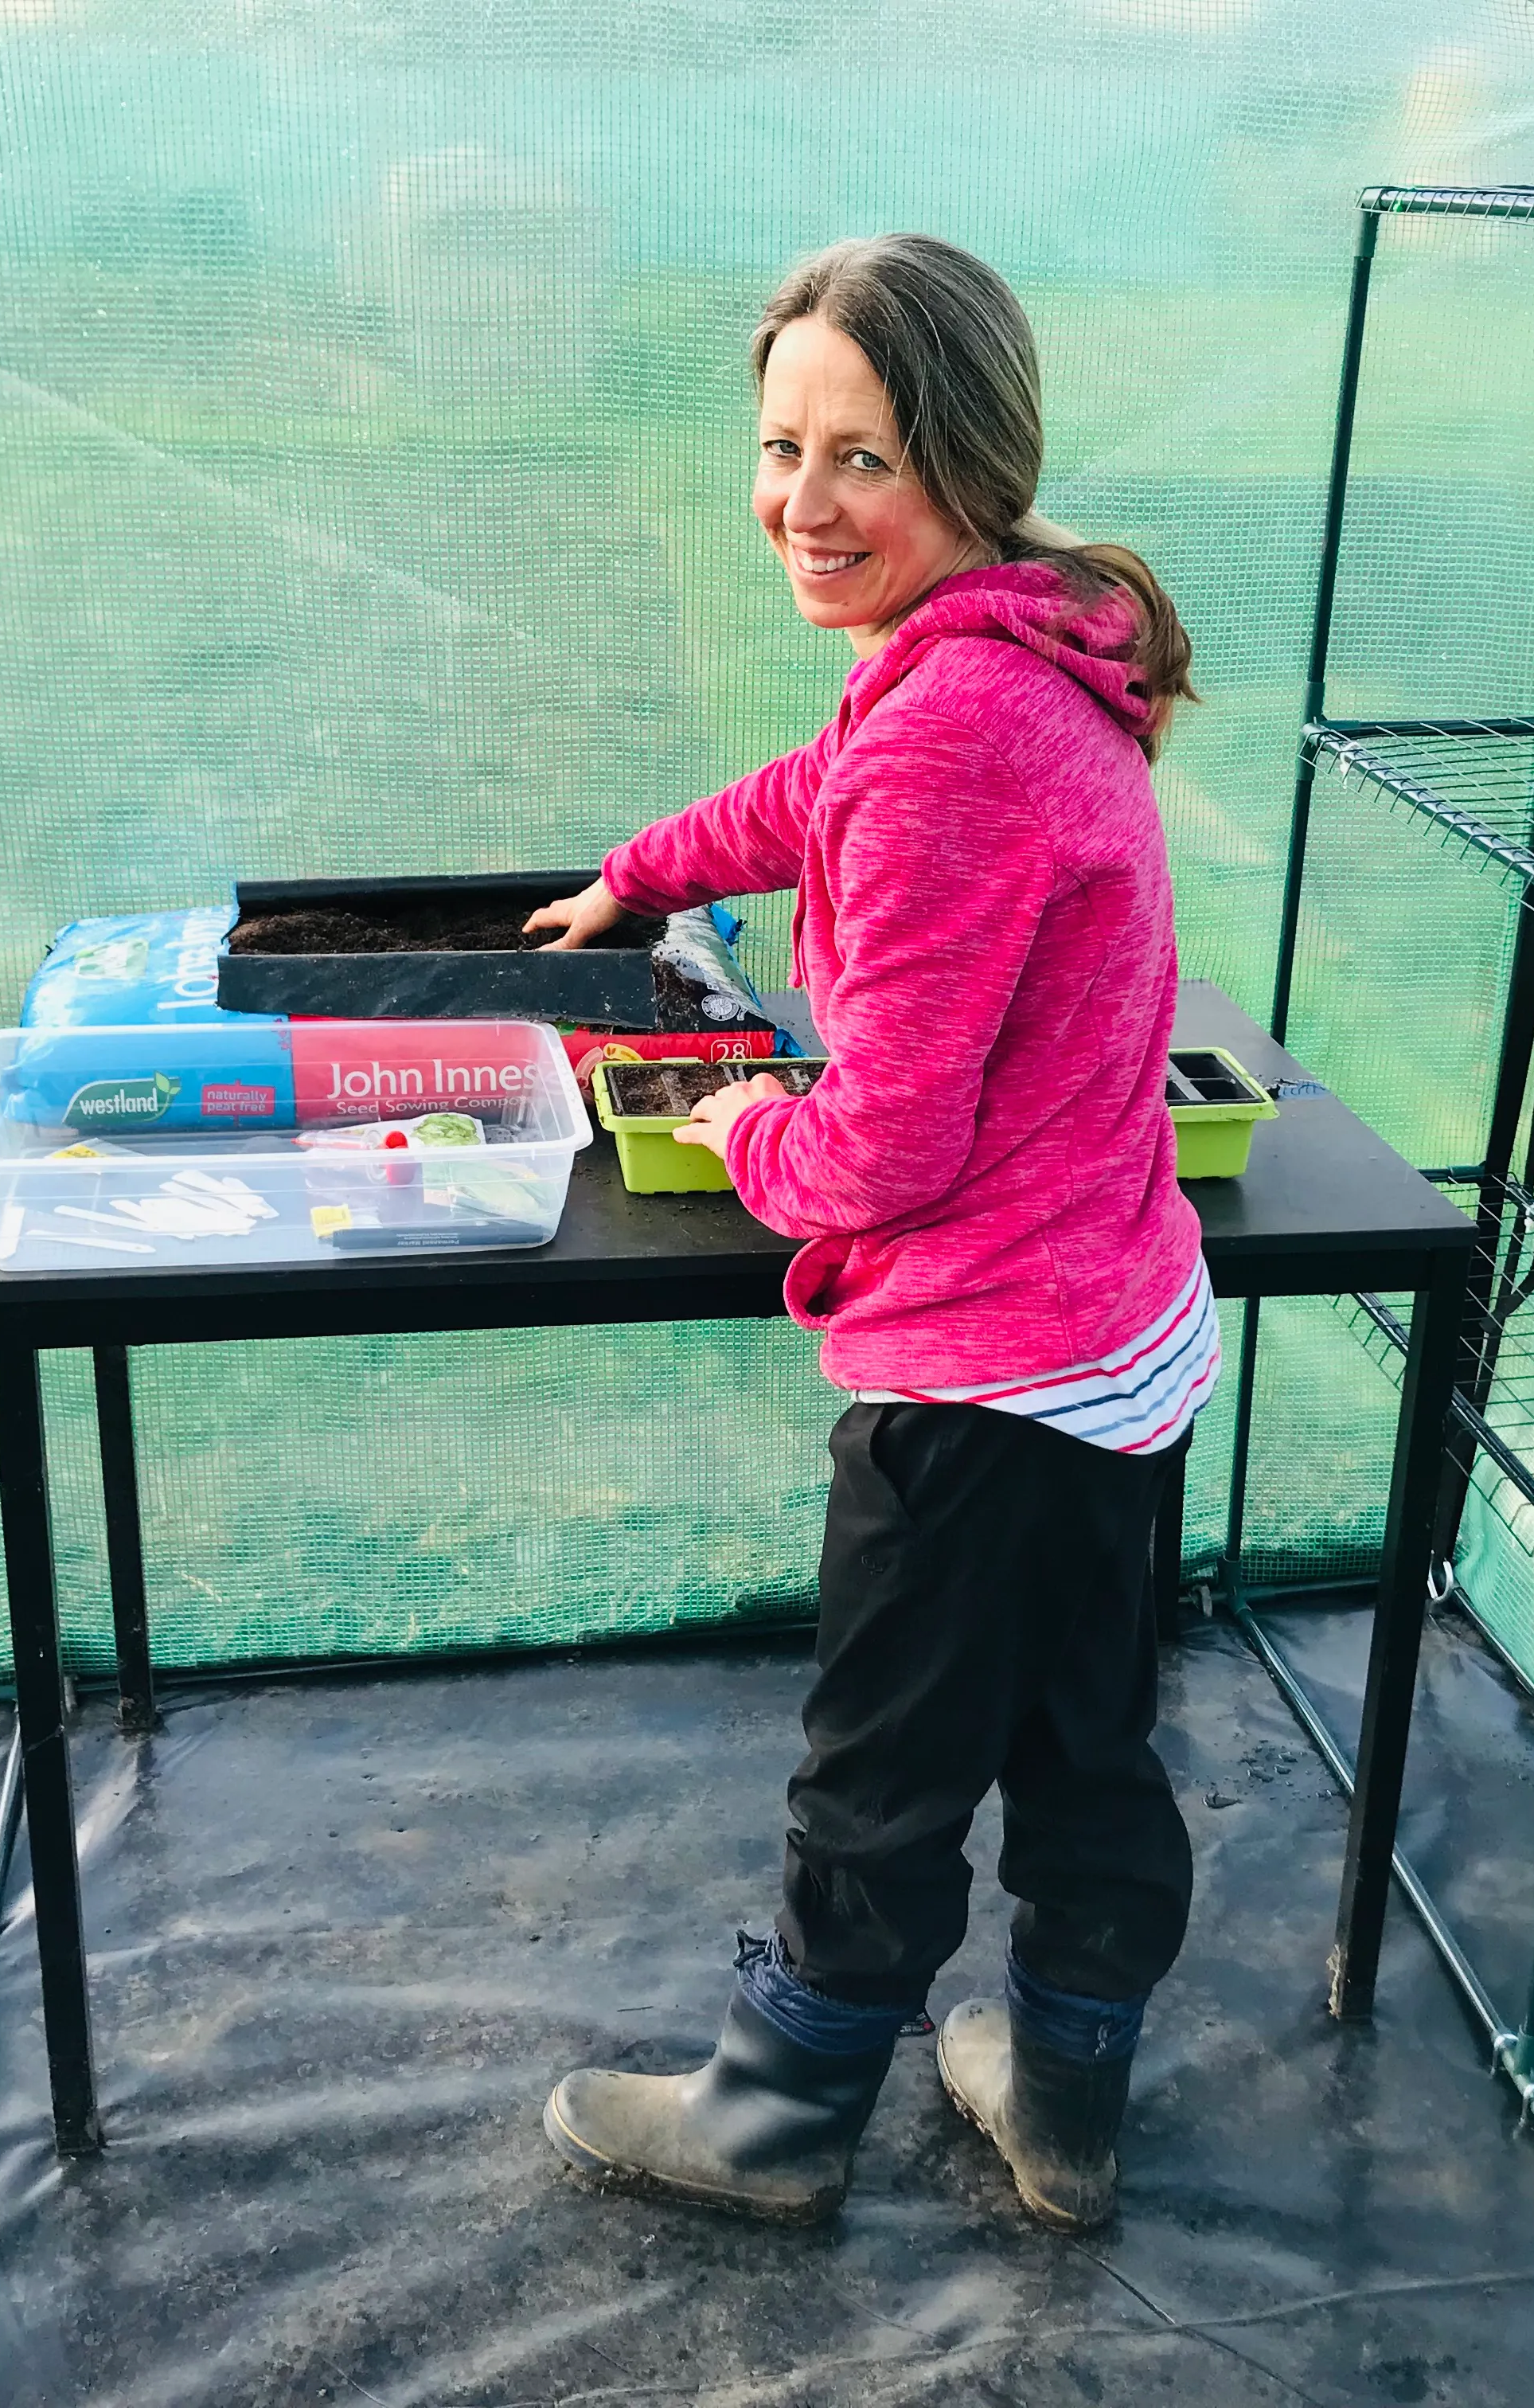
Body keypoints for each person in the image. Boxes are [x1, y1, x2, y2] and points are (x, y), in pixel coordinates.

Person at [527, 232, 1212, 2234]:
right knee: (1090, 1744)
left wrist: (750, 1128)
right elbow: (813, 793)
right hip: (1124, 1334)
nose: (804, 506)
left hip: (985, 1368)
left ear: (968, 469)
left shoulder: (947, 732)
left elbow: (885, 1145)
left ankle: (780, 2112)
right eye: (781, 447)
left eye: (864, 460)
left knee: (882, 1772)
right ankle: (1066, 2101)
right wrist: (639, 877)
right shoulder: (1012, 656)